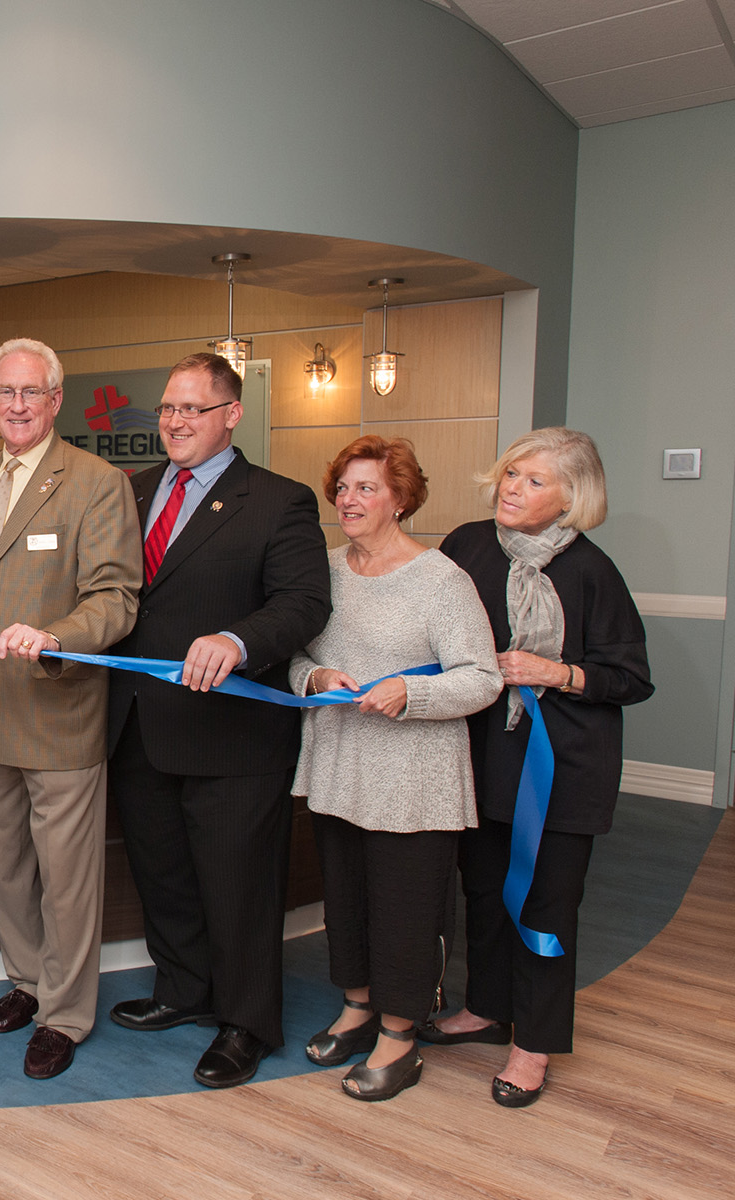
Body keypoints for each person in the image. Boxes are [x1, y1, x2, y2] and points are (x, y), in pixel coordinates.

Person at [104, 351, 331, 1089]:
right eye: (167, 409)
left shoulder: (279, 500)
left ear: (231, 415)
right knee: (162, 876)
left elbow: (302, 605)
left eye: (191, 409)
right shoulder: (131, 491)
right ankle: (183, 991)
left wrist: (236, 641)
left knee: (238, 885)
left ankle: (246, 1023)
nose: (173, 422)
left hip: (232, 735)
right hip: (138, 726)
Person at [428, 427, 652, 1107]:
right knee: (486, 895)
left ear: (570, 499)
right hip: (481, 754)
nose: (512, 489)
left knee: (546, 905)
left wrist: (557, 672)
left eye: (533, 481)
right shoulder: (465, 545)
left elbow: (632, 677)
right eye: (510, 474)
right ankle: (488, 1008)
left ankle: (535, 1043)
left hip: (560, 770)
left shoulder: (591, 570)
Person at [0, 338, 141, 1080]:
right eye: (4, 393)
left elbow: (116, 596)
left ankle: (65, 1013)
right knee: (5, 870)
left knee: (66, 879)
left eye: (31, 393)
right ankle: (26, 981)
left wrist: (58, 635)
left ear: (56, 400)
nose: (17, 407)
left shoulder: (95, 482)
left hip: (58, 708)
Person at [287, 436, 501, 1101]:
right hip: (339, 767)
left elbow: (483, 679)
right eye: (343, 488)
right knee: (345, 900)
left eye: (367, 488)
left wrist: (414, 693)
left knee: (405, 912)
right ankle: (357, 1005)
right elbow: (292, 660)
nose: (349, 500)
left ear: (401, 498)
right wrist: (315, 674)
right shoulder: (321, 571)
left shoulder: (441, 580)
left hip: (414, 779)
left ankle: (400, 1035)